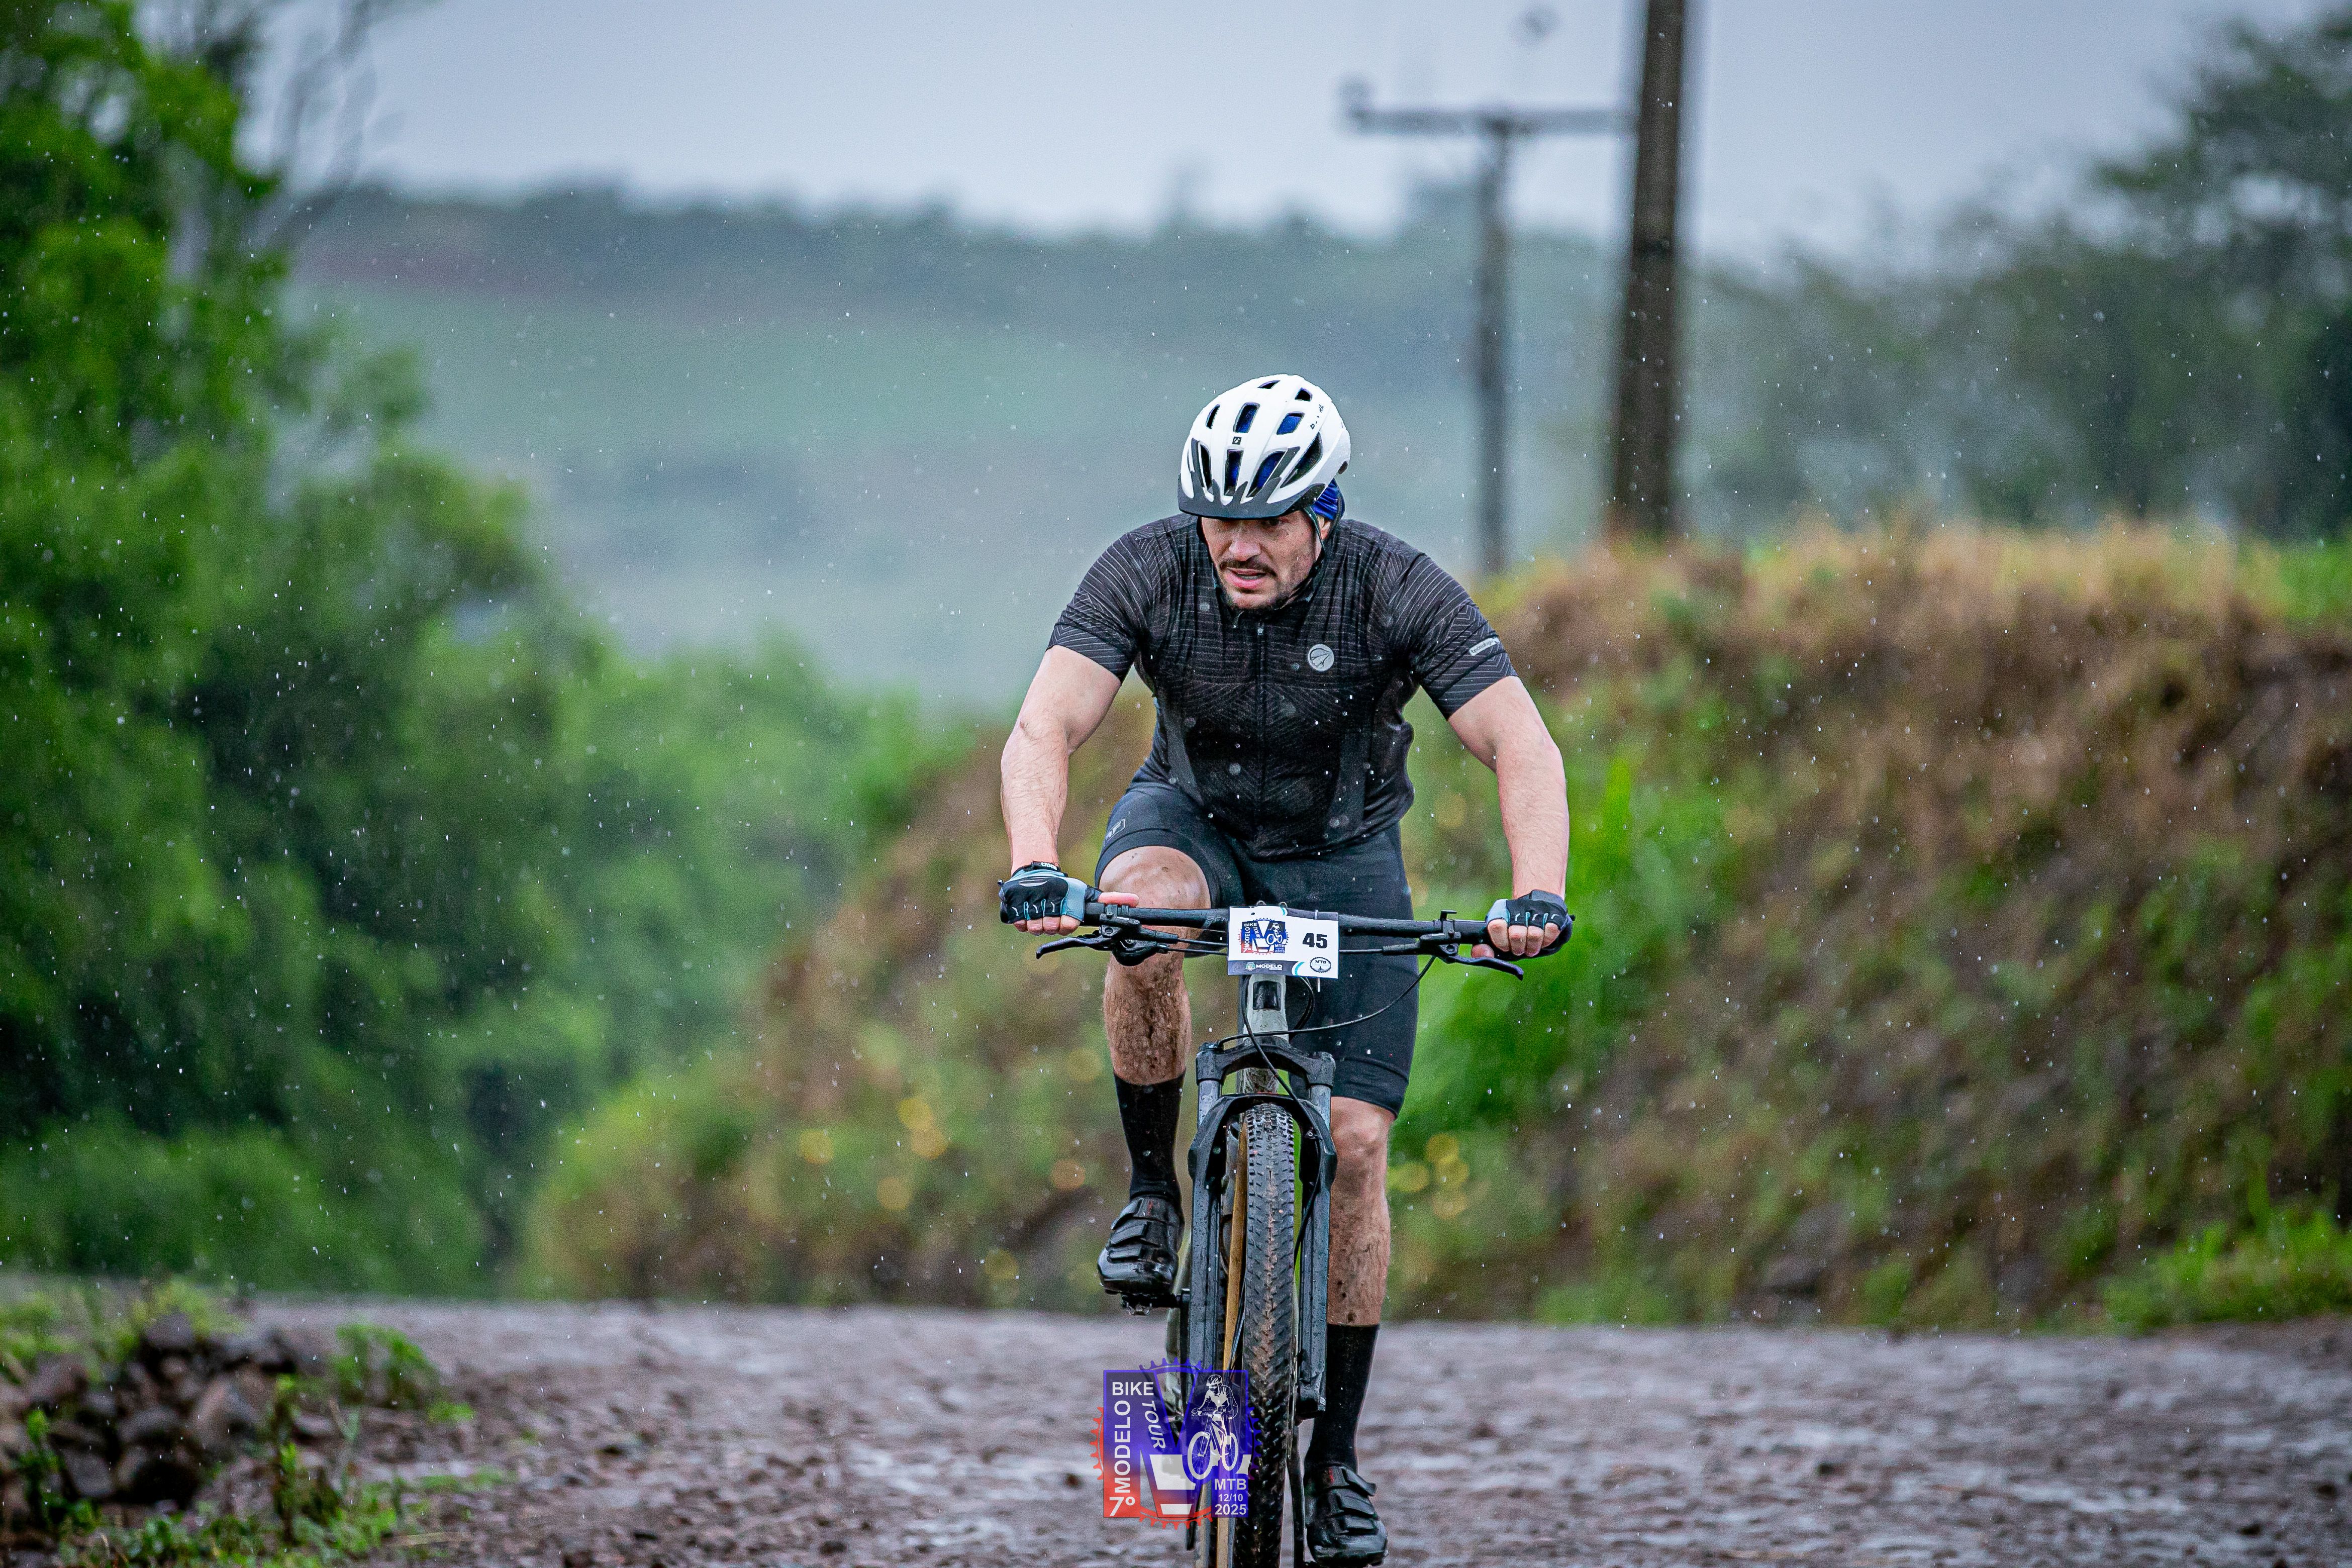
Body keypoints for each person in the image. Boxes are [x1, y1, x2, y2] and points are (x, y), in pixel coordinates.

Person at [997, 374, 1567, 1565]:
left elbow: (1518, 740)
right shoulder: (1148, 569)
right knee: (1140, 915)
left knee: (1354, 1144)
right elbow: (1046, 723)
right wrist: (1037, 862)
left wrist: (1537, 893)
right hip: (1192, 822)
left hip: (1342, 856)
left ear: (1326, 511)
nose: (1239, 545)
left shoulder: (1397, 587)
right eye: (1221, 518)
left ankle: (1335, 1461)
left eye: (1268, 520)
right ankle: (1154, 1198)